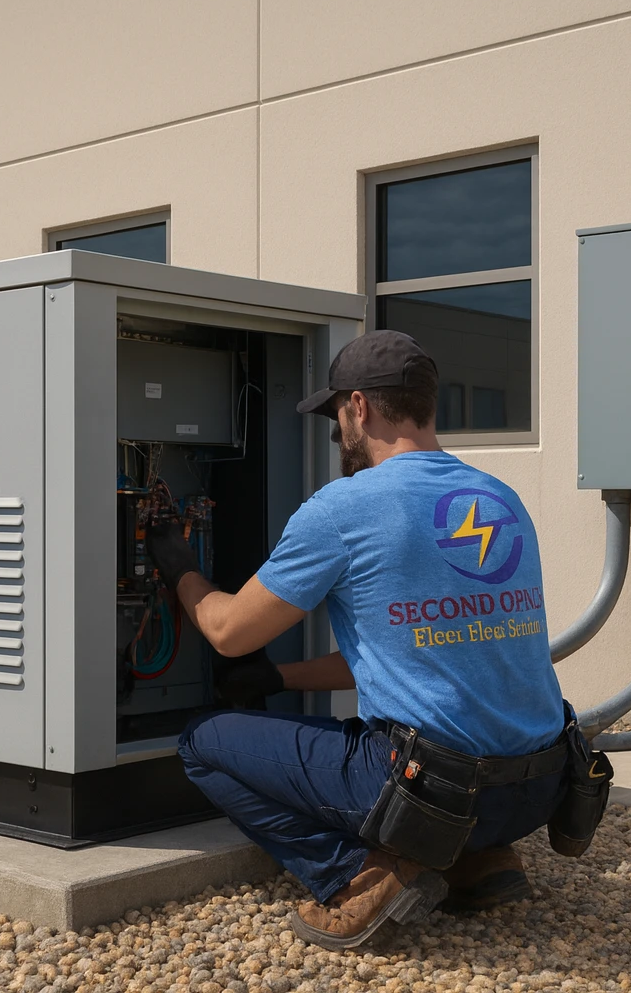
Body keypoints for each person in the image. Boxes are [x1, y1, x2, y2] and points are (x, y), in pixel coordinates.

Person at [146, 329, 571, 950]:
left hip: (432, 791)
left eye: (335, 414)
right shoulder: (498, 498)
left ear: (359, 407)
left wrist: (180, 565)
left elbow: (228, 631)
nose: (334, 431)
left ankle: (357, 878)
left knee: (201, 742)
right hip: (539, 789)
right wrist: (280, 679)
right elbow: (419, 651)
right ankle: (482, 860)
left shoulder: (345, 507)